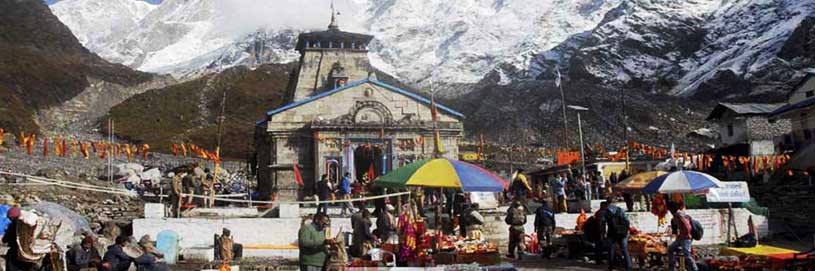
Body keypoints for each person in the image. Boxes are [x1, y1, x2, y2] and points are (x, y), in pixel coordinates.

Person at [3, 207, 37, 271]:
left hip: (15, 254)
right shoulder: (31, 226)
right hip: (29, 254)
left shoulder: (13, 225)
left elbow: (5, 239)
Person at [603, 199, 632, 271]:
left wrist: (603, 234)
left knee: (611, 250)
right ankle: (628, 266)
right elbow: (627, 221)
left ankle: (611, 267)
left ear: (607, 203)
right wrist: (626, 230)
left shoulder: (606, 211)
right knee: (625, 250)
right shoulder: (620, 210)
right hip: (622, 233)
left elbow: (602, 223)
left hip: (611, 233)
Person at [668, 202, 698, 271]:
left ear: (672, 209)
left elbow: (688, 226)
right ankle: (671, 268)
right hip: (680, 238)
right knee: (670, 249)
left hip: (686, 238)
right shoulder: (676, 216)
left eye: (669, 209)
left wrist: (686, 235)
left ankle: (695, 269)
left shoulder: (680, 215)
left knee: (686, 254)